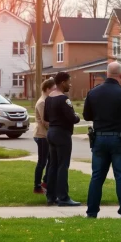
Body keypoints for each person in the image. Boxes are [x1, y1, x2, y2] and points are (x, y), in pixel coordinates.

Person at [84, 62, 121, 218]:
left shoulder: (93, 93)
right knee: (120, 176)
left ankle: (92, 212)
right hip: (119, 139)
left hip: (99, 138)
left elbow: (87, 116)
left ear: (106, 74)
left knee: (97, 176)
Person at [44, 72, 81, 206]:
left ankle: (51, 196)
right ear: (62, 82)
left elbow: (46, 118)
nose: (70, 85)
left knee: (53, 165)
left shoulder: (49, 98)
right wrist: (77, 117)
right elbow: (72, 118)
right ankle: (63, 197)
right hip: (62, 134)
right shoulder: (63, 99)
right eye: (68, 82)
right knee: (63, 165)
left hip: (51, 132)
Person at [33, 78, 56, 194]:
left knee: (51, 160)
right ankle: (37, 186)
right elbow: (45, 121)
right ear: (47, 89)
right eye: (53, 89)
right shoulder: (42, 102)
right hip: (42, 135)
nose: (54, 91)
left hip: (46, 135)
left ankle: (46, 182)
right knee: (42, 161)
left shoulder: (46, 101)